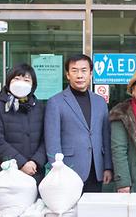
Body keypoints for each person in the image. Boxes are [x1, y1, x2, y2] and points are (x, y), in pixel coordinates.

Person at [44, 54, 112, 192]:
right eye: (74, 71)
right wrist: (56, 169)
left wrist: (107, 166)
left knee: (92, 211)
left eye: (84, 70)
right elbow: (52, 140)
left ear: (91, 73)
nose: (79, 75)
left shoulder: (100, 102)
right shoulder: (56, 102)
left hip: (96, 169)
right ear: (68, 75)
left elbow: (105, 137)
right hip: (68, 169)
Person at [0, 63, 46, 184]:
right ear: (9, 81)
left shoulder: (39, 108)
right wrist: (21, 163)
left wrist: (35, 162)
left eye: (26, 80)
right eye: (17, 79)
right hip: (4, 172)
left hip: (34, 172)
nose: (21, 83)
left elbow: (46, 139)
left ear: (33, 85)